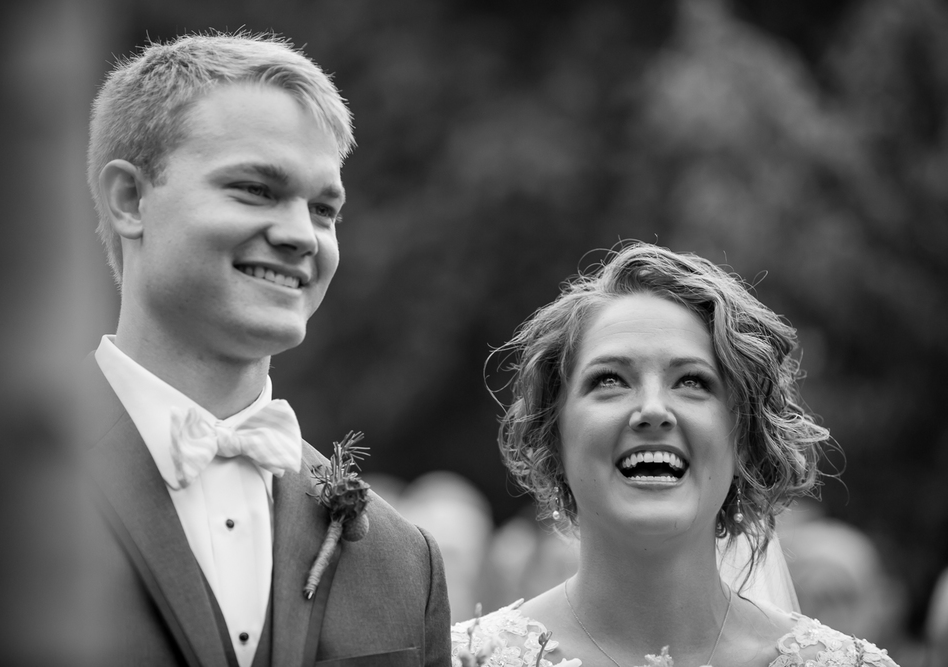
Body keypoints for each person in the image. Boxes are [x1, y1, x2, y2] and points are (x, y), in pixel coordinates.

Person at [81, 32, 450, 666]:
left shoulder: (404, 561)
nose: (302, 235)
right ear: (129, 200)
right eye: (256, 189)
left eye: (325, 209)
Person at [451, 243, 898, 667]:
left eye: (692, 381)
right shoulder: (462, 659)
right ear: (554, 433)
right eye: (610, 380)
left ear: (743, 438)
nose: (652, 410)